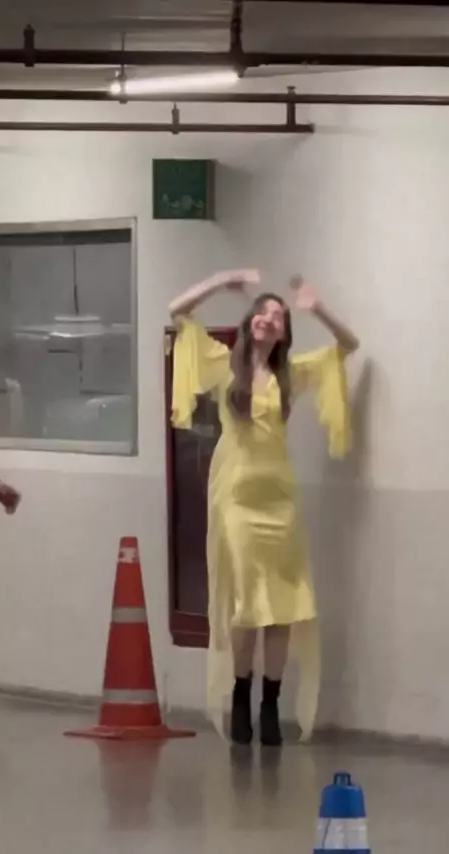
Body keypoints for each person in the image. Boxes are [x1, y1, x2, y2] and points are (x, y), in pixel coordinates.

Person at [169, 270, 359, 746]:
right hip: (237, 500)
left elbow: (348, 345)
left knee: (282, 608)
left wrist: (319, 309)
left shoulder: (290, 376)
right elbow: (178, 311)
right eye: (263, 312)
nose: (269, 319)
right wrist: (224, 279)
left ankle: (270, 705)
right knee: (247, 606)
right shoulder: (223, 366)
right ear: (250, 321)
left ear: (283, 333)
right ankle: (240, 696)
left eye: (279, 316)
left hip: (280, 502)